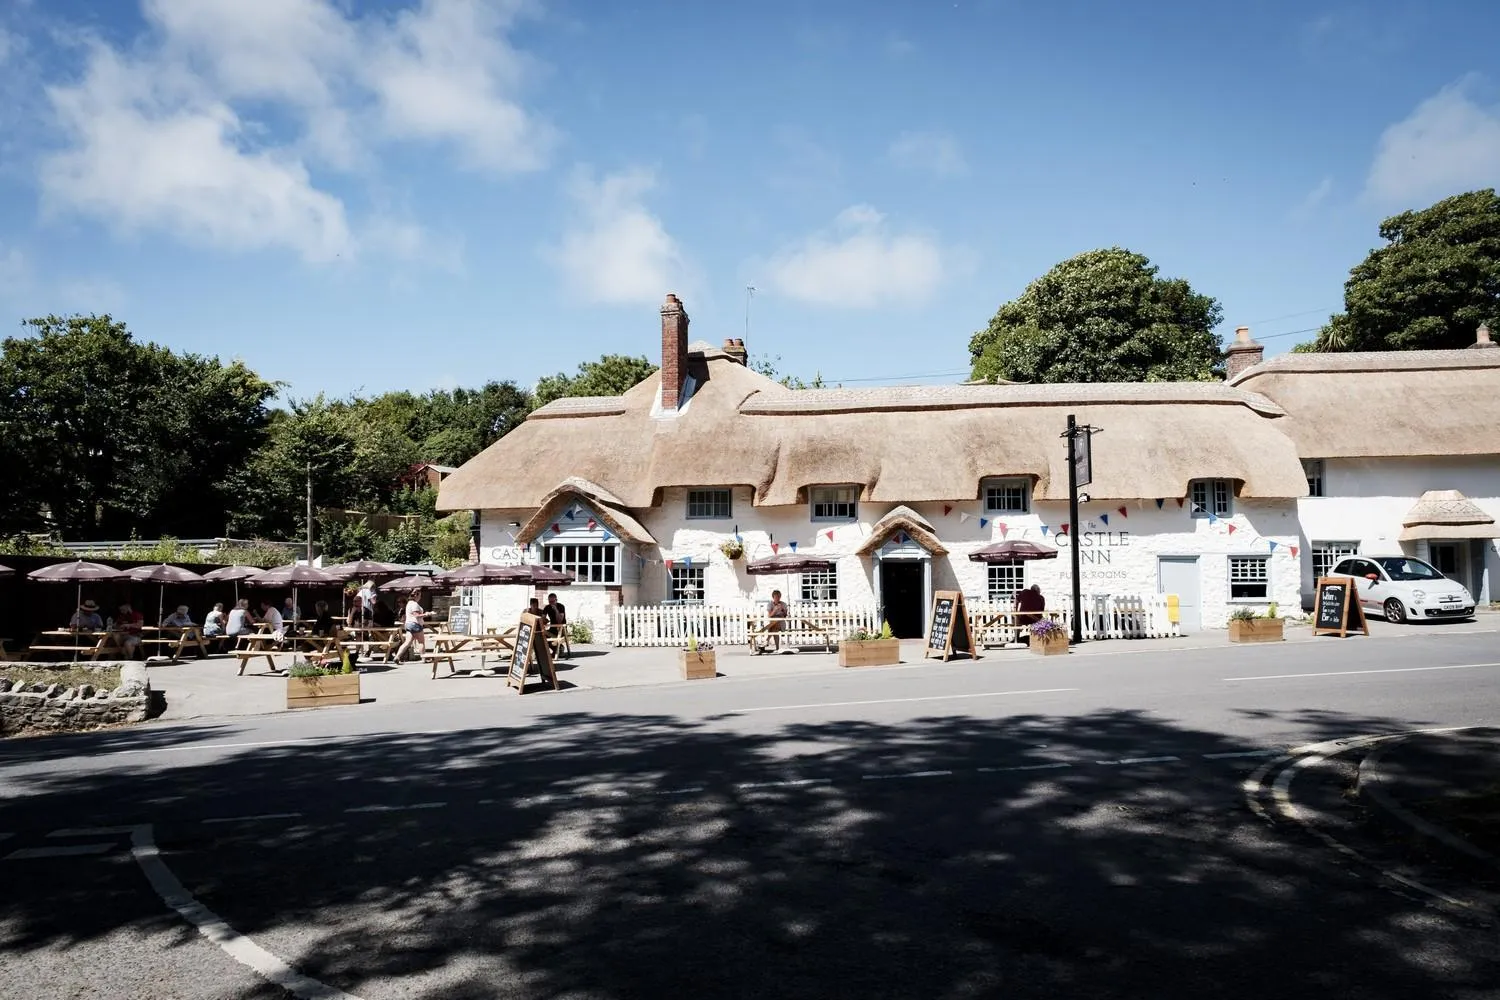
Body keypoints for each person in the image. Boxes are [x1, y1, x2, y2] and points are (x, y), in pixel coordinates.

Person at [394, 591, 426, 663]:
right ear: (416, 596)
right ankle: (423, 659)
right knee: (421, 642)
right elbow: (416, 615)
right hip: (416, 624)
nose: (420, 597)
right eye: (420, 595)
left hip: (408, 624)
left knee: (407, 642)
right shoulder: (414, 604)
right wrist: (427, 614)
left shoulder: (408, 603)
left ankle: (397, 656)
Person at [543, 592, 569, 657]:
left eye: (553, 601)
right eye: (550, 601)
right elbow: (543, 618)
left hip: (561, 628)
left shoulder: (561, 607)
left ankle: (557, 650)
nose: (551, 603)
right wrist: (544, 620)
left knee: (556, 637)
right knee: (542, 636)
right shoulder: (547, 607)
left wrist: (556, 610)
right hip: (552, 628)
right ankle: (557, 649)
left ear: (556, 600)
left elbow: (560, 620)